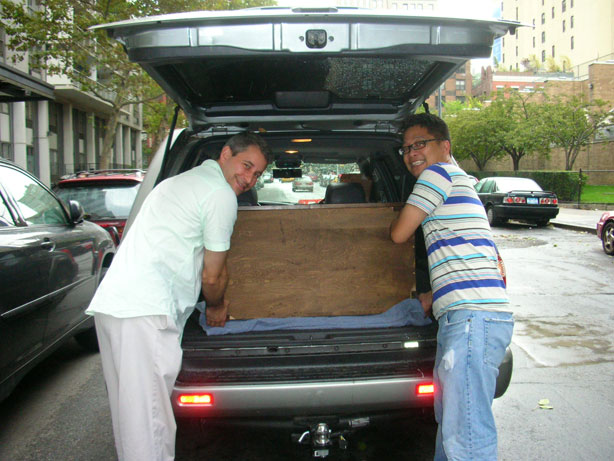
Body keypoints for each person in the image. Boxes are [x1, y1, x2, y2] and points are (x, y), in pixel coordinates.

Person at [87, 132, 270, 461]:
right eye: (246, 166)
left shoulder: (176, 183)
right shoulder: (220, 194)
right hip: (146, 313)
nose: (249, 179)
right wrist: (216, 307)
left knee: (131, 420)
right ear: (225, 154)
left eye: (257, 174)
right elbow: (213, 274)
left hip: (115, 307)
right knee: (149, 426)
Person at [389, 113, 513, 461]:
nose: (411, 153)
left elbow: (398, 234)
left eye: (419, 144)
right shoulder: (459, 178)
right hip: (469, 317)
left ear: (445, 146)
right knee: (453, 425)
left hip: (472, 320)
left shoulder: (437, 175)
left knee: (466, 435)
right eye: (405, 148)